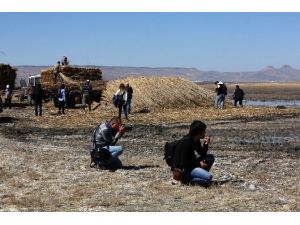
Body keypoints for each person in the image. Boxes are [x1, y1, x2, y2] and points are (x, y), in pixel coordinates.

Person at [172, 120, 215, 186]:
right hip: (184, 170)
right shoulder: (186, 142)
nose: (205, 133)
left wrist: (205, 144)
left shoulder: (195, 140)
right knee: (208, 178)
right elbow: (184, 163)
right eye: (203, 131)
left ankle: (199, 177)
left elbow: (203, 154)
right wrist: (199, 164)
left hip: (192, 166)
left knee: (210, 157)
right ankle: (188, 181)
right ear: (199, 133)